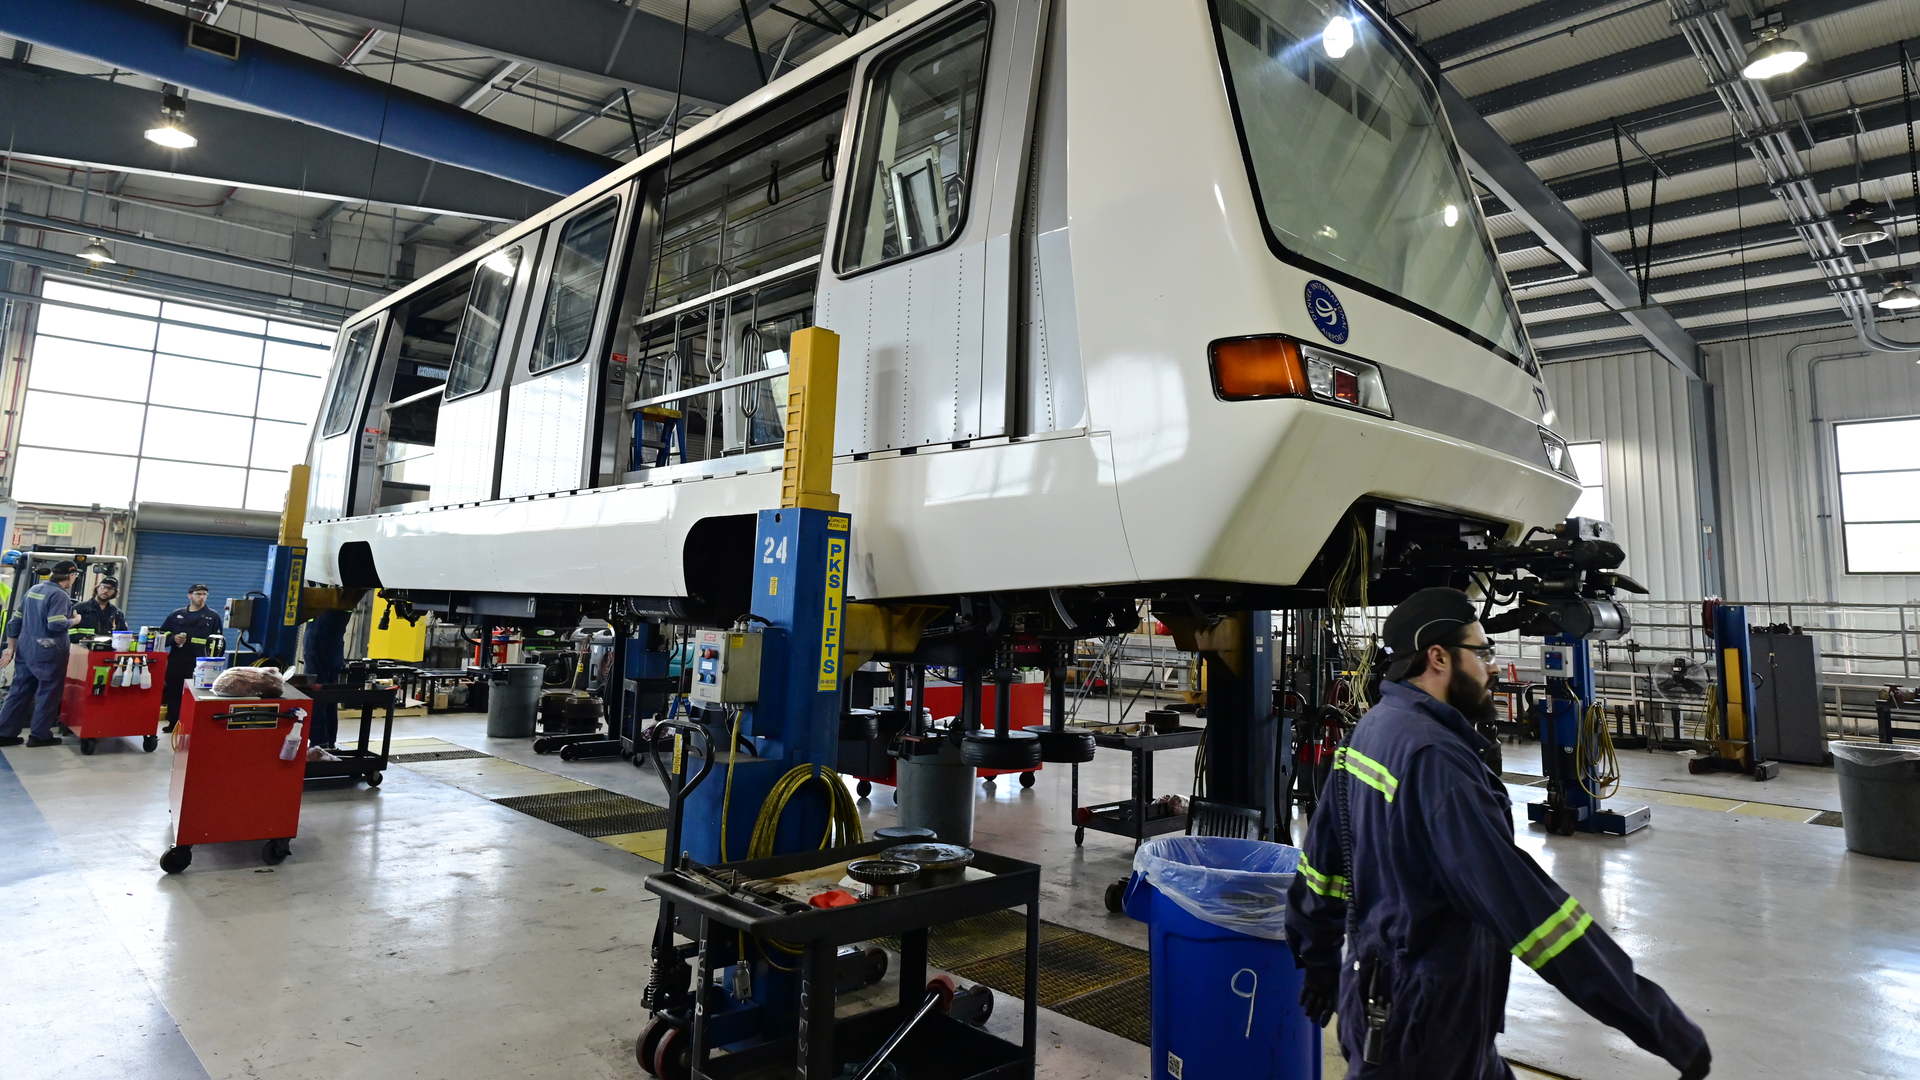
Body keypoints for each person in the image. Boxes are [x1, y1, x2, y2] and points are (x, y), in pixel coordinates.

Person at [1287, 587, 1710, 1080]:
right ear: (1438, 657)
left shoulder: (1374, 729)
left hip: (1384, 997)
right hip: (1428, 1029)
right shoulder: (1435, 761)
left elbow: (1322, 866)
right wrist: (1656, 1020)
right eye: (1482, 651)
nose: (1492, 667)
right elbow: (1525, 910)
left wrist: (1317, 956)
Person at [0, 561, 85, 747]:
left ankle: (4, 733)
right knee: (48, 692)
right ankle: (40, 735)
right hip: (49, 651)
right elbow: (55, 624)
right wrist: (74, 621)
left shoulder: (34, 589)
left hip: (26, 648)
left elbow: (15, 621)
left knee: (19, 690)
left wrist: (11, 647)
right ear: (70, 576)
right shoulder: (59, 595)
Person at [160, 583, 225, 729]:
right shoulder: (177, 614)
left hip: (199, 662)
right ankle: (174, 723)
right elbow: (164, 633)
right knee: (174, 691)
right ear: (189, 596)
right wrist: (173, 638)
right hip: (177, 659)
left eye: (204, 594)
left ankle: (192, 725)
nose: (201, 597)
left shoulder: (212, 617)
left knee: (196, 694)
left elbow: (217, 641)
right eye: (198, 594)